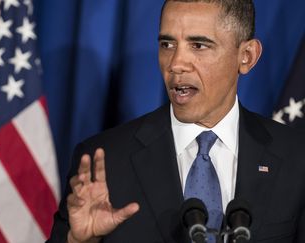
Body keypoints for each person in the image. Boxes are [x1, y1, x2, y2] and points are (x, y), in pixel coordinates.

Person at [47, 0, 305, 242]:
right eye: (167, 44)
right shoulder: (104, 162)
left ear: (246, 56)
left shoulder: (296, 156)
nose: (176, 63)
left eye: (198, 45)